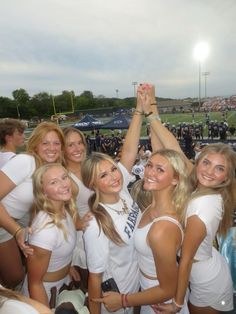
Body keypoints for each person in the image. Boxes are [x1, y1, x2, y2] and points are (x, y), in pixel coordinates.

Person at [141, 97, 235, 313]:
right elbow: (171, 149)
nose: (210, 171)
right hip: (206, 269)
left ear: (226, 177)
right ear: (198, 161)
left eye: (220, 169)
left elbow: (186, 258)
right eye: (207, 163)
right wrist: (151, 111)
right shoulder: (204, 186)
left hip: (206, 281)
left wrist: (177, 303)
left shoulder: (203, 205)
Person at [80, 84, 150, 314]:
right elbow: (94, 279)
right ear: (92, 185)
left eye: (113, 168)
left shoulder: (119, 189)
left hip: (138, 287)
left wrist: (139, 109)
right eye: (103, 175)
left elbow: (129, 152)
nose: (113, 176)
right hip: (119, 301)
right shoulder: (96, 224)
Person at [94, 149, 190, 314]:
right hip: (148, 292)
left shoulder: (161, 229)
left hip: (159, 301)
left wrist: (123, 300)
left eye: (160, 169)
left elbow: (168, 289)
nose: (150, 172)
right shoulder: (151, 206)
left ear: (175, 179)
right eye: (149, 165)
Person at [0, 121, 64, 288]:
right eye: (45, 143)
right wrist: (17, 230)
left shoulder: (46, 167)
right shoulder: (25, 161)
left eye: (56, 143)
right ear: (35, 144)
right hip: (4, 221)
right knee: (15, 277)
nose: (52, 147)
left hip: (12, 220)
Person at [21, 163, 79, 307]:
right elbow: (34, 283)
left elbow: (58, 250)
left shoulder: (64, 208)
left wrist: (67, 268)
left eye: (64, 177)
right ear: (43, 191)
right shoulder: (46, 230)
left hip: (61, 284)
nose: (64, 184)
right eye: (53, 182)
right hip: (44, 293)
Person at [63, 127, 93, 290]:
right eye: (71, 145)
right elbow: (59, 220)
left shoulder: (89, 166)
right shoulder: (65, 177)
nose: (77, 148)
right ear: (62, 149)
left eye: (80, 142)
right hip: (82, 244)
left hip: (101, 235)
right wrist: (66, 263)